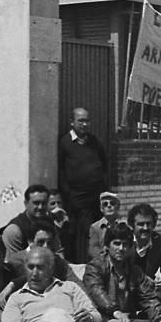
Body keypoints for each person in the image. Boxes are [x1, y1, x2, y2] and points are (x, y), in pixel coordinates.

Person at [58, 107, 108, 262]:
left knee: (100, 230)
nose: (84, 124)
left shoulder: (94, 142)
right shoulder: (65, 143)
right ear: (72, 122)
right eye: (81, 120)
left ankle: (99, 264)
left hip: (95, 196)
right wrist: (68, 193)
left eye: (87, 120)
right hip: (77, 197)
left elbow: (104, 164)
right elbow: (61, 170)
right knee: (83, 232)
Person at [127, 203, 161, 317]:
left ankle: (146, 317)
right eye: (141, 224)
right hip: (127, 288)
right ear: (132, 225)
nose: (145, 228)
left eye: (148, 224)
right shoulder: (125, 242)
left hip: (149, 289)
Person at [0, 183, 50, 261]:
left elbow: (58, 253)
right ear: (26, 204)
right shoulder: (14, 230)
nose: (40, 207)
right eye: (36, 203)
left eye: (44, 203)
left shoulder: (50, 222)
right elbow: (13, 264)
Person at [87, 191, 122, 261]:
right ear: (101, 208)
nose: (109, 206)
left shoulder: (125, 224)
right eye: (105, 204)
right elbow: (93, 249)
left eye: (112, 203)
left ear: (118, 207)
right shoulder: (95, 227)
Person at [47, 189, 74, 259]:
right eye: (53, 203)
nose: (57, 206)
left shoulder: (67, 222)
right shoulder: (45, 223)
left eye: (59, 203)